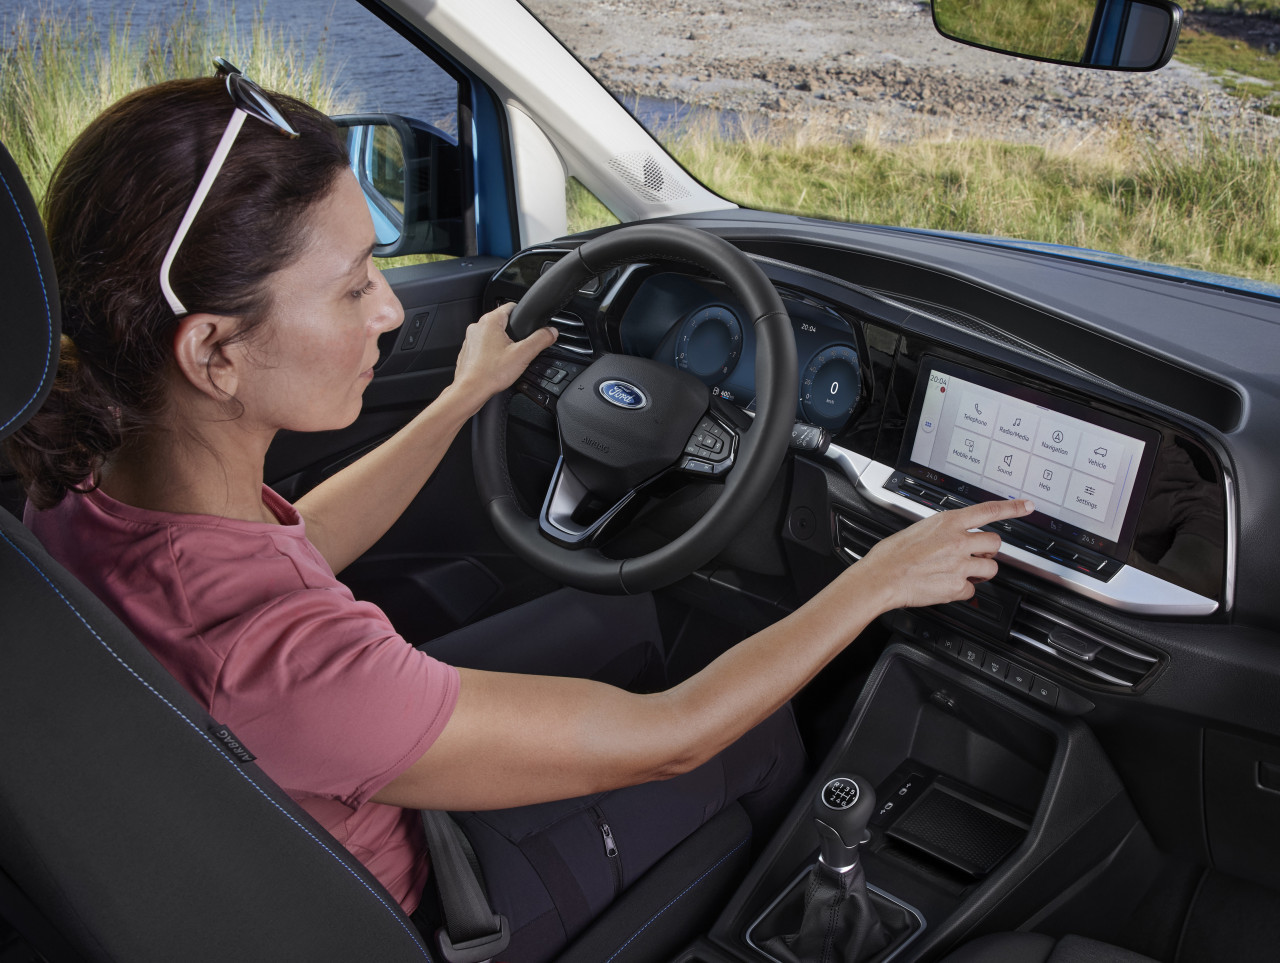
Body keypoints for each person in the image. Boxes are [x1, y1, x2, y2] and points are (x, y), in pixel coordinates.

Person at [4, 65, 1032, 963]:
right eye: (354, 287)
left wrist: (463, 399)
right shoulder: (288, 663)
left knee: (616, 615)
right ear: (214, 351)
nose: (390, 309)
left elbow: (299, 542)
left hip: (293, 816)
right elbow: (673, 737)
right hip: (442, 906)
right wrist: (875, 582)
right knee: (752, 737)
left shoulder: (78, 481)